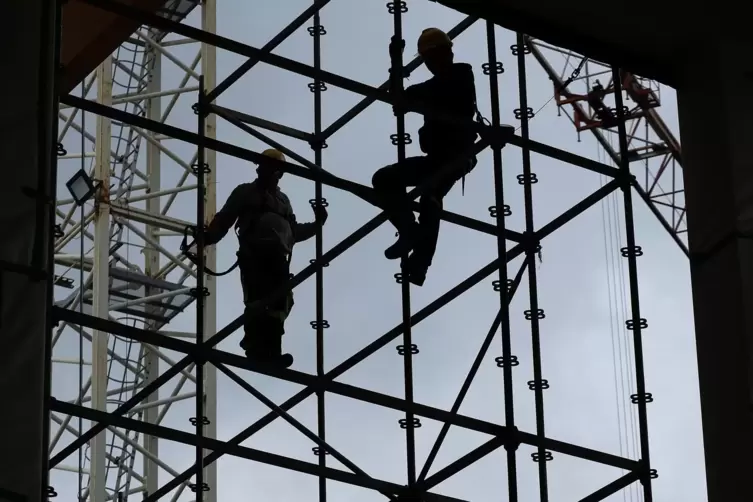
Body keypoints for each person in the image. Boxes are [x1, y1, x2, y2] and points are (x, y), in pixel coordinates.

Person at [193, 148, 328, 368]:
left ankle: (272, 352)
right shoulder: (246, 192)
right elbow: (225, 218)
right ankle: (255, 348)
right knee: (258, 302)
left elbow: (293, 232)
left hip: (278, 258)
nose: (267, 171)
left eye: (273, 168)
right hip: (254, 255)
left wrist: (316, 225)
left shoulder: (283, 201)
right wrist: (207, 237)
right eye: (265, 166)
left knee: (280, 303)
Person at [372, 27, 479, 287]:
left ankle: (420, 262)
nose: (431, 65)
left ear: (443, 54)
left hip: (456, 156)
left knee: (430, 196)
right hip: (436, 159)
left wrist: (403, 78)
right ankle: (409, 230)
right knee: (384, 179)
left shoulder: (461, 75)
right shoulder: (434, 85)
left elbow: (431, 93)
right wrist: (395, 62)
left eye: (431, 58)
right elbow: (399, 102)